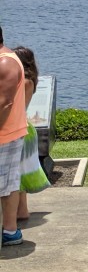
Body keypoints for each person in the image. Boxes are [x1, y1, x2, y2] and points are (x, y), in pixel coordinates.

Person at [13, 47, 48, 220]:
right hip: (25, 126)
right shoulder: (30, 81)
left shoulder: (25, 82)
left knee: (17, 171)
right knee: (20, 171)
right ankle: (21, 210)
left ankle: (20, 211)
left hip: (21, 128)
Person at [0, 24, 27, 247]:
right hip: (8, 132)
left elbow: (3, 103)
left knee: (6, 185)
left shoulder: (5, 62)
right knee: (8, 183)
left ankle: (10, 231)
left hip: (4, 134)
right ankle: (10, 231)